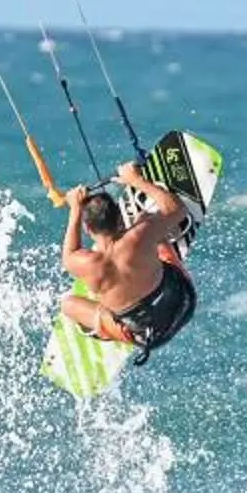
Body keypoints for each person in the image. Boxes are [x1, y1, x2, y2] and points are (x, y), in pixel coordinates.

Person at [59, 154, 198, 362]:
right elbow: (176, 209)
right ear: (119, 217)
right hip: (184, 302)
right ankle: (167, 236)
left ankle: (104, 330)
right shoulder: (139, 236)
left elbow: (69, 253)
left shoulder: (83, 264)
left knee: (68, 305)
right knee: (148, 222)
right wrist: (136, 181)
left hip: (148, 336)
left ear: (88, 229)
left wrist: (75, 209)